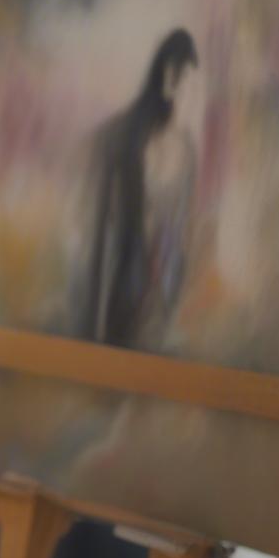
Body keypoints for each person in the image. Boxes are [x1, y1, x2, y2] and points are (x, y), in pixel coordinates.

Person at [68, 28, 199, 351]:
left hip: (161, 287)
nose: (190, 98)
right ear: (170, 75)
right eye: (185, 83)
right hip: (124, 285)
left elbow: (181, 224)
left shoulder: (185, 149)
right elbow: (96, 228)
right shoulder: (121, 139)